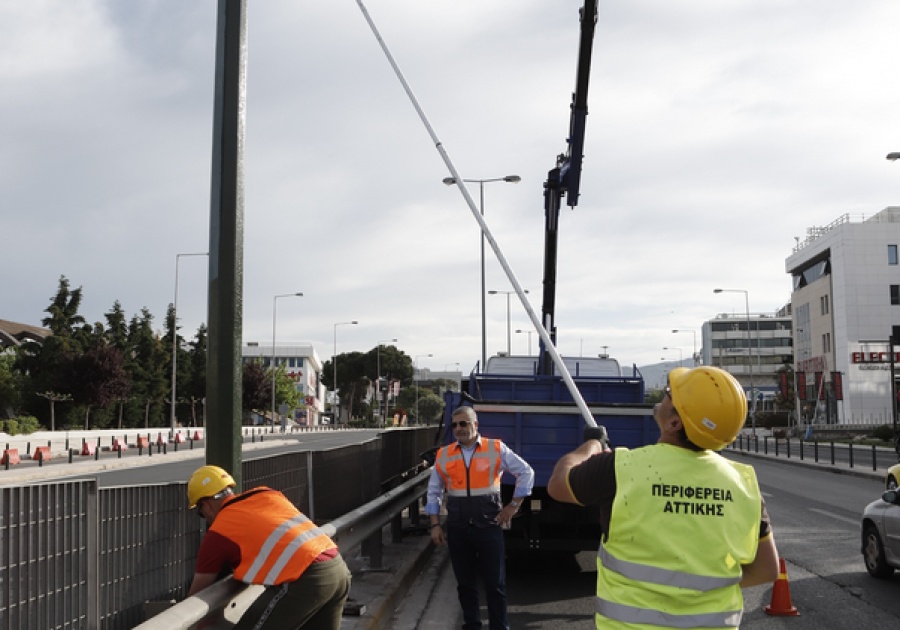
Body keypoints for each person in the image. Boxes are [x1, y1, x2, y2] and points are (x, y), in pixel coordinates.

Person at [547, 366, 780, 629]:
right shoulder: (745, 485)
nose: (664, 395)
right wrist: (697, 587)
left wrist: (592, 445)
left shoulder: (620, 468)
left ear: (674, 423)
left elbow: (557, 484)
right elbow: (766, 569)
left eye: (670, 393)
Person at [186, 465, 351, 630]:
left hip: (305, 579)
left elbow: (197, 593)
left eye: (201, 513)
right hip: (338, 571)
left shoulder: (219, 531)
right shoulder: (267, 494)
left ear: (206, 505)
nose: (206, 519)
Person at [426, 406, 535, 630]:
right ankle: (472, 625)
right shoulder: (444, 454)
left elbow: (526, 472)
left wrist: (514, 506)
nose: (459, 428)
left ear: (475, 425)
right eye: (455, 425)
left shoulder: (495, 448)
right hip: (458, 528)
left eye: (464, 423)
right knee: (465, 585)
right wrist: (435, 524)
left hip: (488, 526)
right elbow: (434, 492)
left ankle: (499, 627)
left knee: (495, 585)